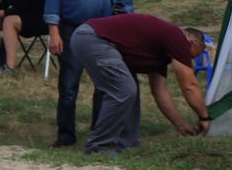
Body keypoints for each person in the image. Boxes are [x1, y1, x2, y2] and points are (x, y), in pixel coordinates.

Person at [44, 0, 135, 146]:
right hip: (72, 31)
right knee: (68, 86)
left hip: (104, 33)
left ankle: (99, 132)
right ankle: (65, 136)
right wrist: (54, 32)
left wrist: (125, 21)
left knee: (105, 86)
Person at [70, 13, 209, 152]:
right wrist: (204, 116)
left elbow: (160, 92)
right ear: (191, 42)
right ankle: (98, 146)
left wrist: (181, 125)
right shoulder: (178, 38)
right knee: (124, 90)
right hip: (93, 38)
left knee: (130, 89)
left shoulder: (161, 53)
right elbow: (189, 86)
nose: (187, 58)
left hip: (93, 39)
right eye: (190, 55)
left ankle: (127, 144)